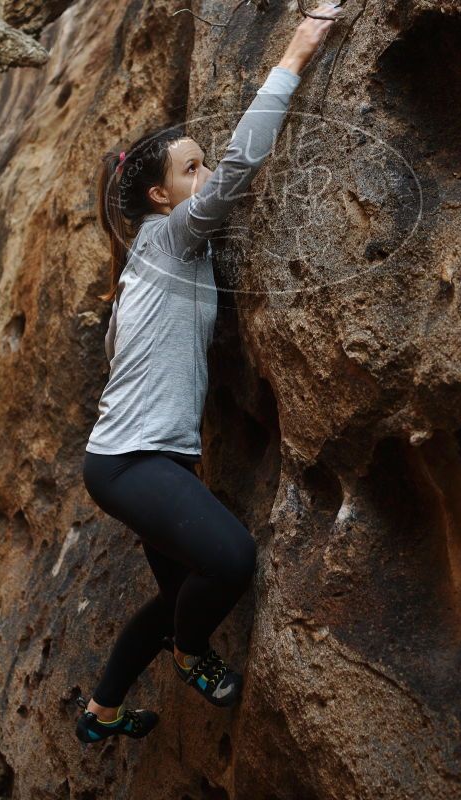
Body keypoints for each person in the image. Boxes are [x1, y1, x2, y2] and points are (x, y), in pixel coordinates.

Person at [75, 2, 346, 745]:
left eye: (199, 161)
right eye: (189, 168)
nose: (205, 171)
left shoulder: (148, 259)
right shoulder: (170, 236)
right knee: (229, 561)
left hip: (141, 458)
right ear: (160, 195)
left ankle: (100, 714)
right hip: (132, 463)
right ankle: (193, 657)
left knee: (172, 599)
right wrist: (299, 45)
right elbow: (241, 166)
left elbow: (123, 359)